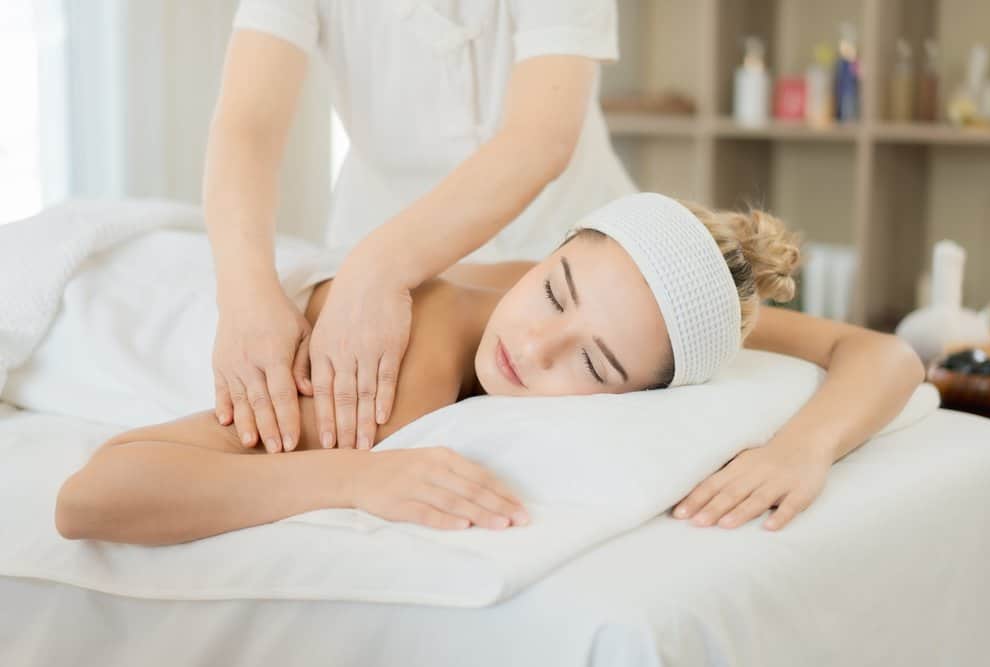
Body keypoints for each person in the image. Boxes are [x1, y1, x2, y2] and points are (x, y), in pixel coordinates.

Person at [55, 194, 926, 546]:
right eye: (555, 292)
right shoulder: (395, 383)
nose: (533, 346)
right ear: (549, 253)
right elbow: (91, 496)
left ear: (638, 395)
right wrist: (355, 475)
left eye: (593, 360)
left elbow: (884, 351)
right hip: (84, 291)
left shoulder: (582, 295)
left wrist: (803, 449)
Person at [204, 1, 637, 460]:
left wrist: (376, 272)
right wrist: (244, 296)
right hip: (375, 244)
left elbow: (541, 139)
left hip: (558, 265)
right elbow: (247, 127)